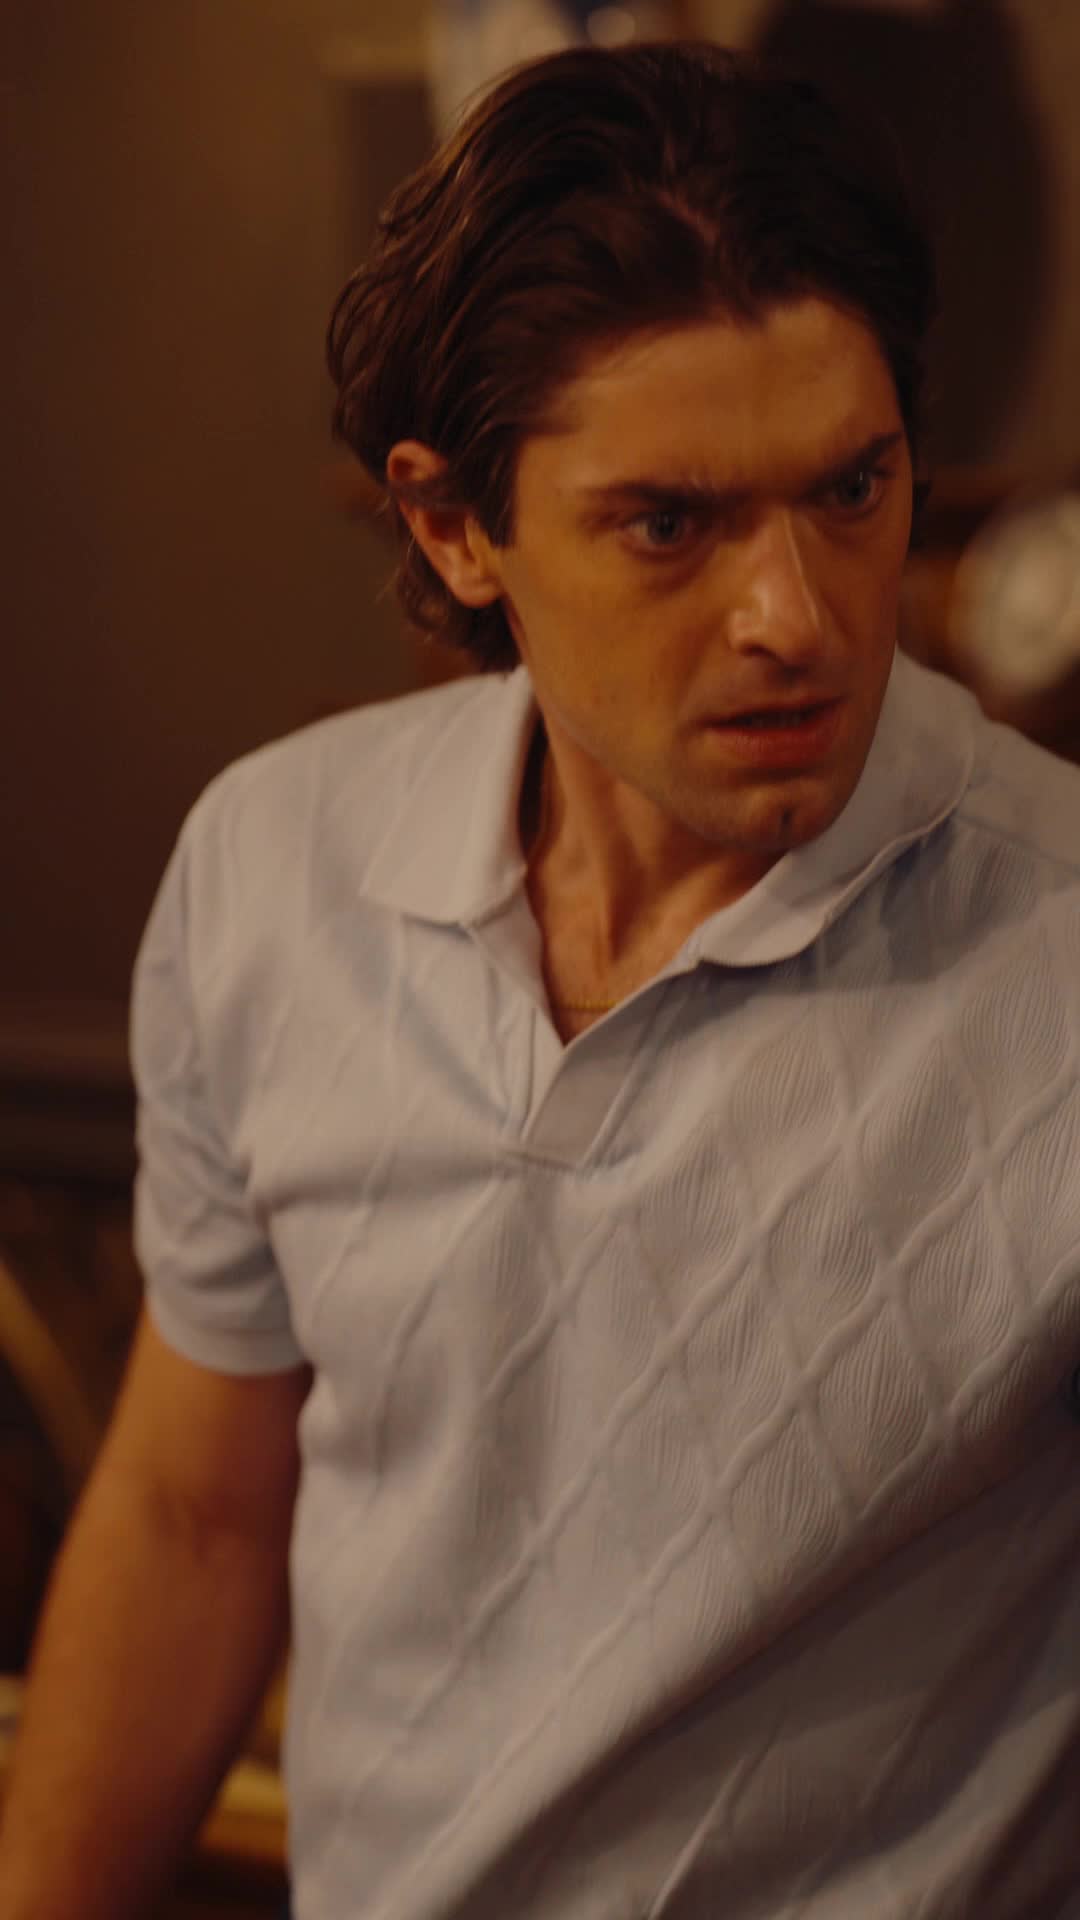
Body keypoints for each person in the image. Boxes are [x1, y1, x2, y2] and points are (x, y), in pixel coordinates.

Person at [3, 40, 1079, 1920]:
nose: (797, 615)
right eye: (671, 523)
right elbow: (192, 1517)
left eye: (851, 488)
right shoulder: (276, 868)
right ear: (452, 524)